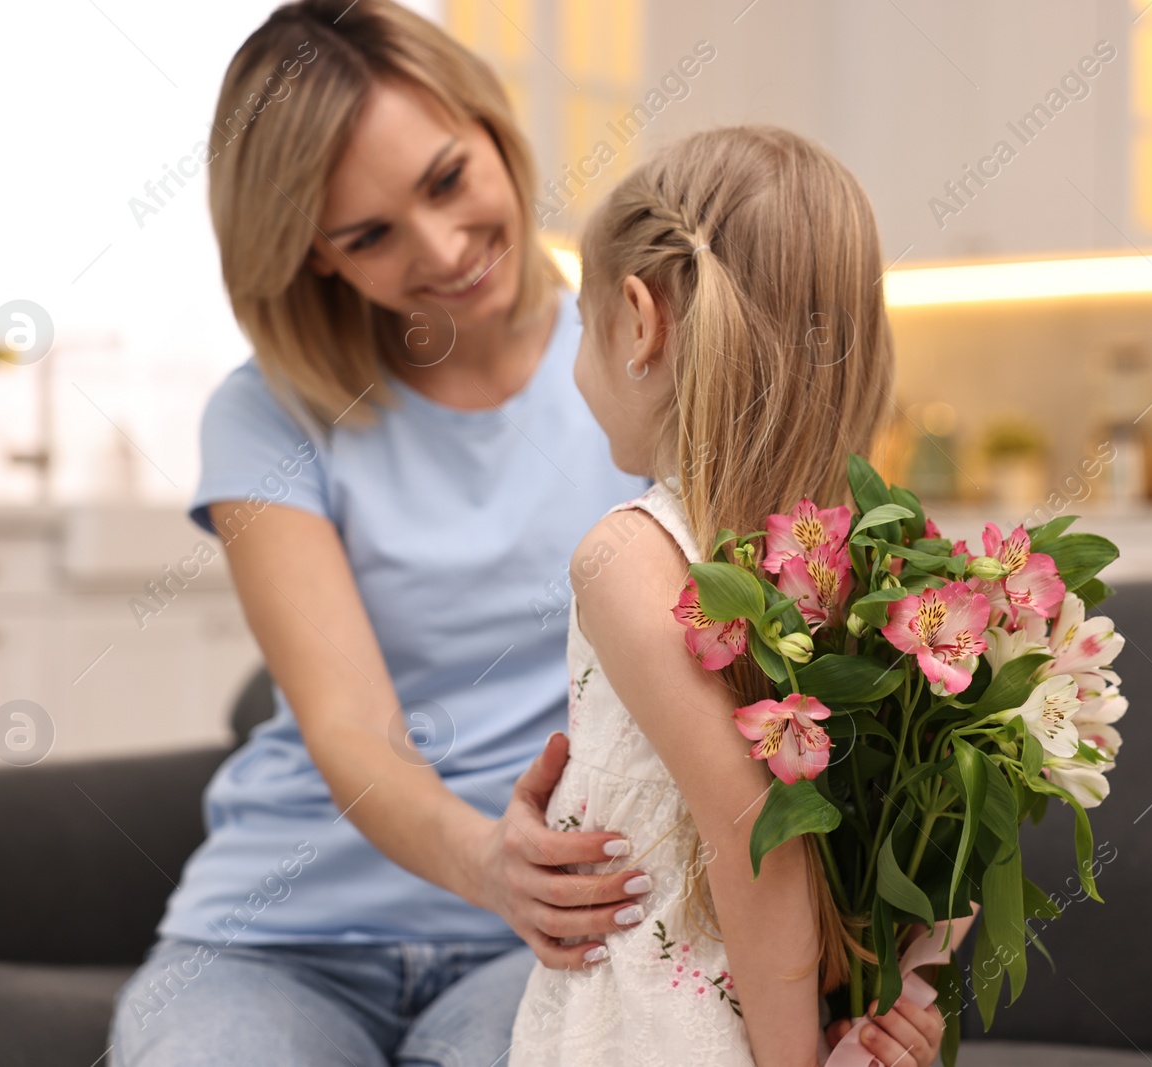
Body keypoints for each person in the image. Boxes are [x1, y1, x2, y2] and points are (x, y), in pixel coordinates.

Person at [108, 2, 651, 1064]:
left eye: (448, 178)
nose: (444, 250)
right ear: (315, 255)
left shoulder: (646, 361)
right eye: (368, 235)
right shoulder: (267, 411)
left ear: (491, 127)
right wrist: (488, 859)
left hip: (548, 944)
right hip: (273, 940)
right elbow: (349, 723)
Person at [507, 126, 949, 1067]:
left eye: (583, 329)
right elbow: (926, 837)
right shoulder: (869, 573)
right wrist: (894, 1006)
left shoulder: (629, 553)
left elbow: (762, 836)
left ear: (638, 320)